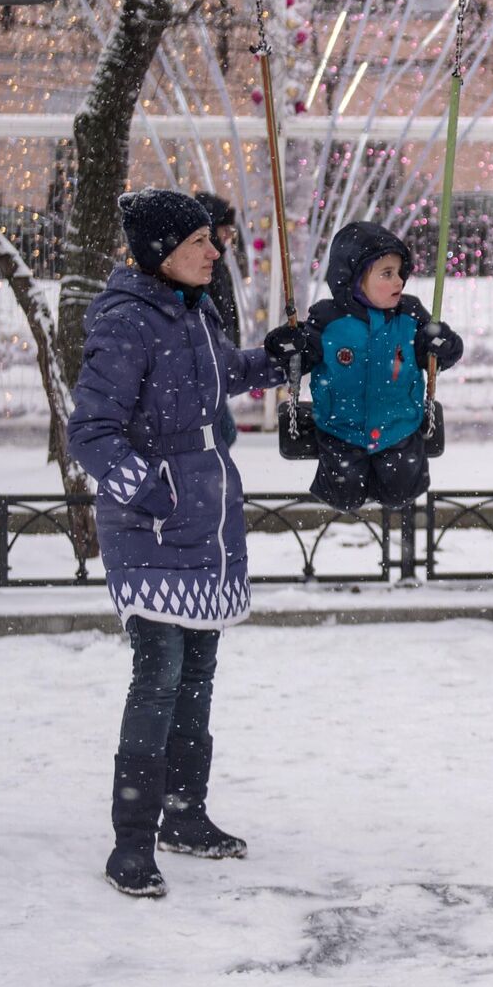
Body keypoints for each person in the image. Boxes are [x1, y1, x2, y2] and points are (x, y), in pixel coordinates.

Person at [69, 189, 303, 897]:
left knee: (197, 667)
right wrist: (153, 491)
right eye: (199, 241)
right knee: (160, 669)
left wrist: (278, 358)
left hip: (206, 513)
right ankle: (132, 841)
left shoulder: (193, 312)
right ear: (159, 252)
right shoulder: (126, 322)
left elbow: (222, 375)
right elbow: (92, 432)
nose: (214, 250)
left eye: (212, 239)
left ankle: (184, 812)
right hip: (153, 524)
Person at [299, 221, 463, 512]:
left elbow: (443, 355)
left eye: (400, 273)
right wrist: (286, 345)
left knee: (401, 492)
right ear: (353, 278)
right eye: (387, 274)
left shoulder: (410, 314)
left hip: (398, 428)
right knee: (342, 495)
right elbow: (299, 356)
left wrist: (443, 344)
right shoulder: (327, 319)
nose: (399, 281)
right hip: (341, 430)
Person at [194, 191, 245, 448]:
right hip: (210, 359)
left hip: (216, 357)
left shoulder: (217, 262)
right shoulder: (205, 266)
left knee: (223, 434)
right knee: (224, 433)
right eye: (226, 229)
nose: (228, 235)